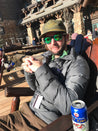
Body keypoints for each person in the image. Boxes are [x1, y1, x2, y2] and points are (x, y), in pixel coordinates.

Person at [0, 19, 90, 130]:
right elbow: (35, 87)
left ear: (66, 37)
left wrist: (41, 70)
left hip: (43, 123)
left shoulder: (77, 64)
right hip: (26, 112)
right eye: (48, 39)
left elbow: (68, 106)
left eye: (57, 37)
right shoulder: (48, 58)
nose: (53, 43)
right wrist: (30, 73)